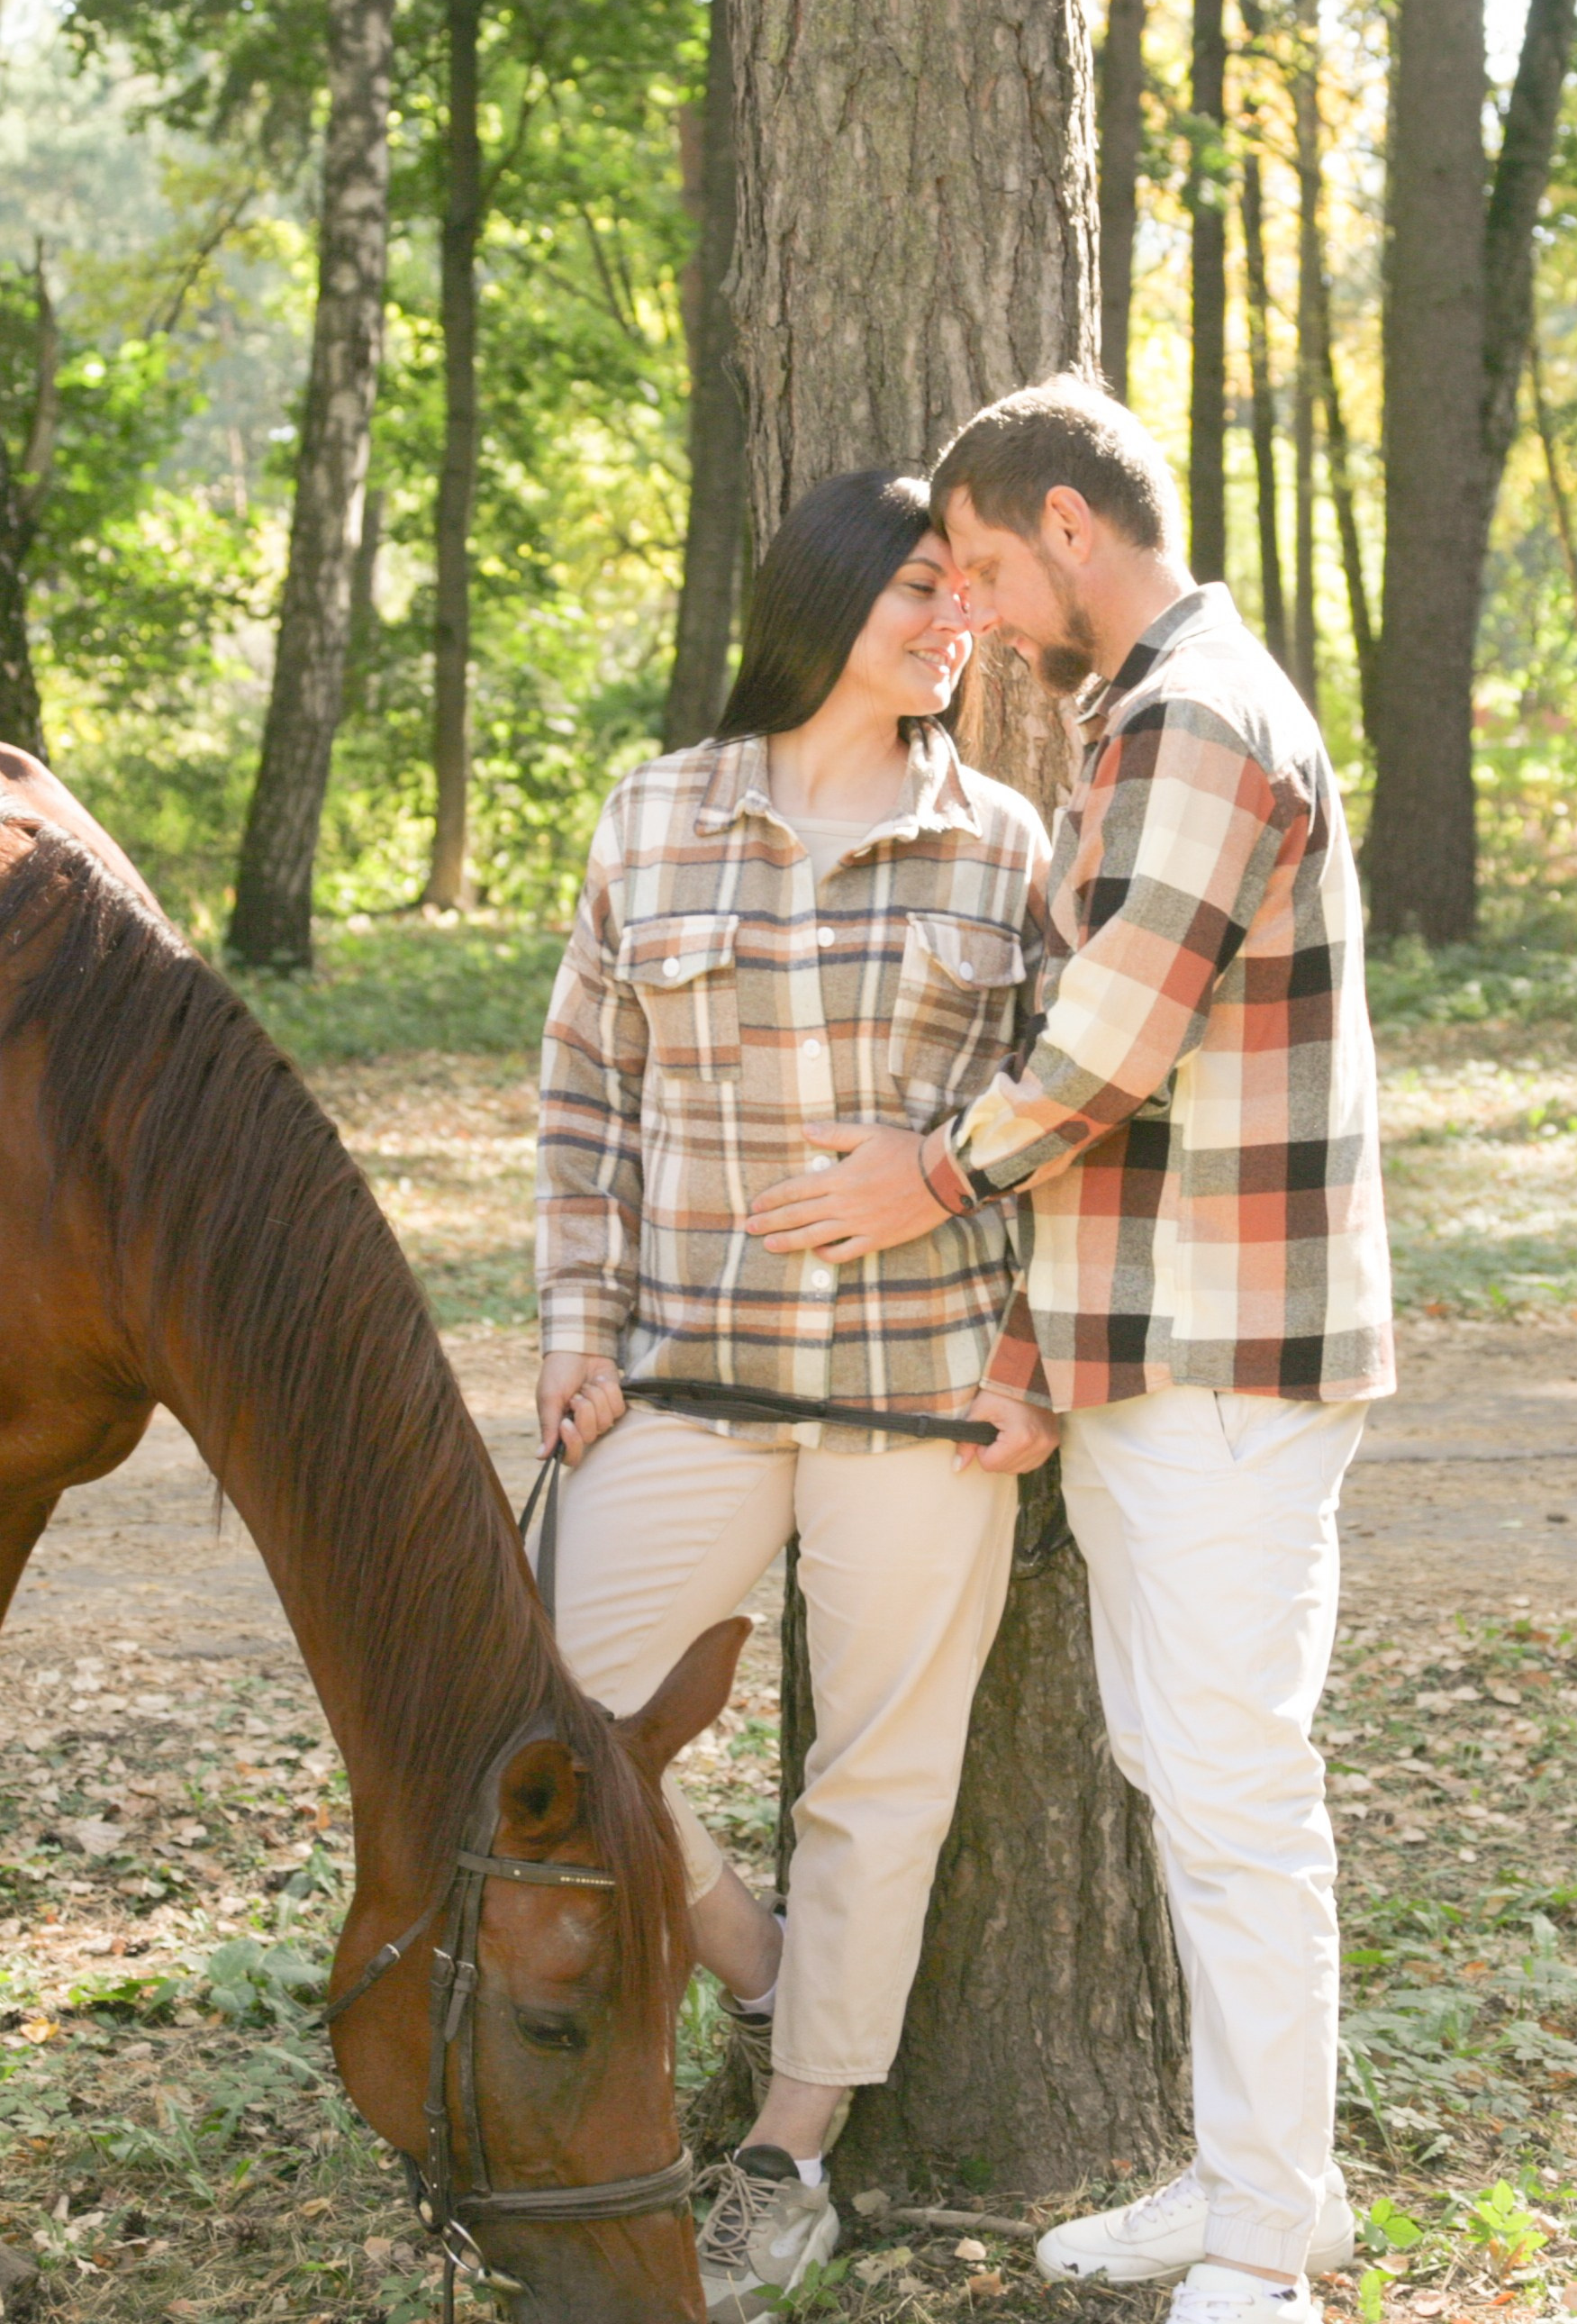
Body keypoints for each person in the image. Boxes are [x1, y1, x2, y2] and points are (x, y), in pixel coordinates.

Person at [748, 379, 1393, 2324]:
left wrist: (920, 1182)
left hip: (1225, 1341)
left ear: (1064, 522)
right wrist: (1035, 1334)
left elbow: (1114, 1044)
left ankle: (1269, 2248)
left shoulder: (1199, 713)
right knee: (1180, 1762)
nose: (984, 617)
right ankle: (1247, 2178)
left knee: (1229, 1785)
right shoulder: (1149, 712)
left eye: (987, 567)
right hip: (1146, 1335)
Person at [534, 467, 1060, 2320]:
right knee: (552, 1710)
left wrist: (1033, 1356)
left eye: (965, 597)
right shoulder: (653, 815)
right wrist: (569, 1325)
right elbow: (586, 1094)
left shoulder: (1005, 841)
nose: (952, 624)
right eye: (918, 589)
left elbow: (1069, 1131)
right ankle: (753, 1954)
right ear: (819, 599)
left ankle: (790, 2146)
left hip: (923, 1393)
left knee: (883, 1778)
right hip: (684, 1372)